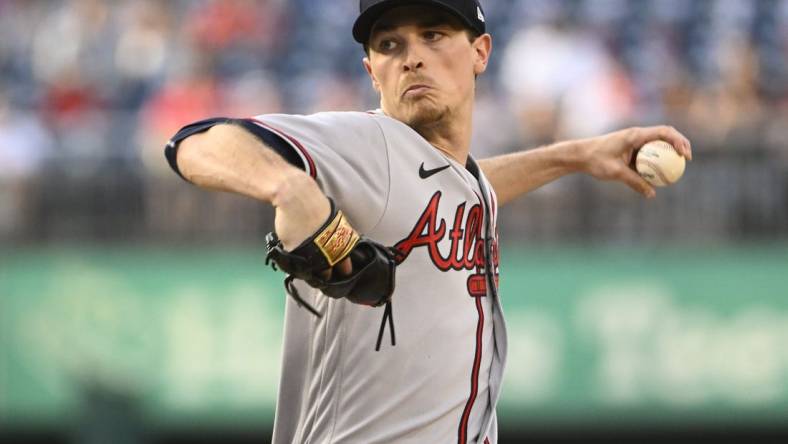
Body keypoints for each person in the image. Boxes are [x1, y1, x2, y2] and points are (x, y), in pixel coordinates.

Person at [163, 1, 692, 442]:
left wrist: (576, 156)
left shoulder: (441, 176)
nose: (412, 58)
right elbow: (195, 142)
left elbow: (465, 192)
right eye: (390, 45)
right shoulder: (368, 145)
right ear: (372, 72)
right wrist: (289, 185)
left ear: (480, 52)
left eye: (433, 35)